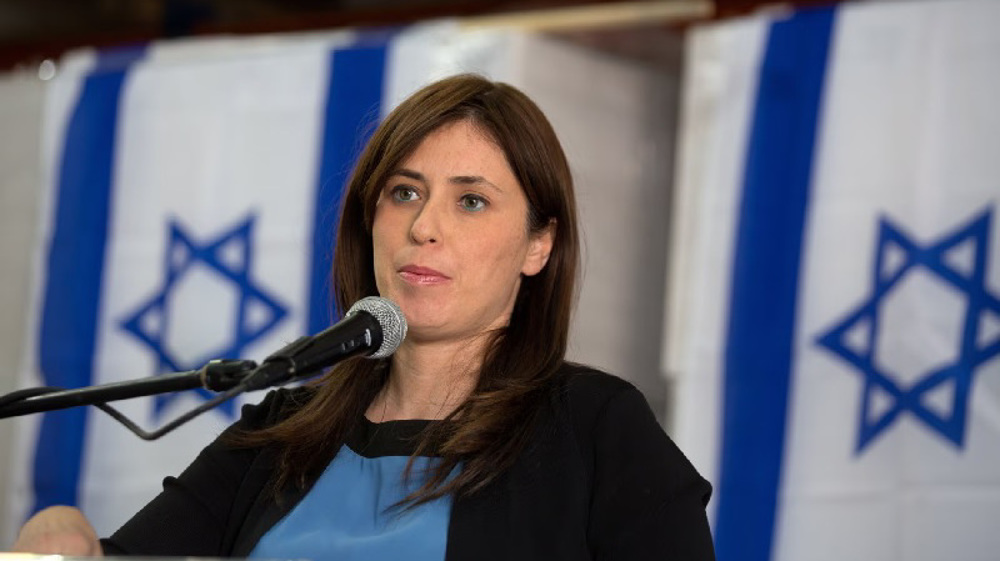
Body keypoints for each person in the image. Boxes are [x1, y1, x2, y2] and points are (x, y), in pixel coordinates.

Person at [12, 74, 715, 559]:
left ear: (539, 244)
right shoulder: (279, 432)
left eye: (471, 200)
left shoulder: (597, 431)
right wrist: (70, 535)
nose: (425, 227)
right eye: (404, 192)